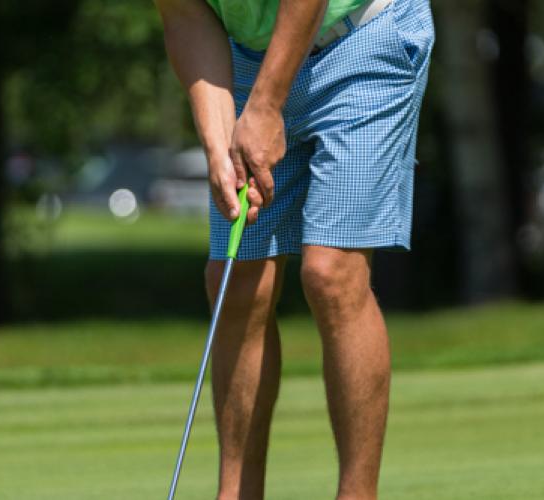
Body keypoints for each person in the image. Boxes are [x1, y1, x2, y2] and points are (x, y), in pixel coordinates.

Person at [154, 0, 434, 498]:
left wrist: (265, 109)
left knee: (330, 273)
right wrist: (217, 144)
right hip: (247, 60)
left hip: (361, 37)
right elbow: (186, 16)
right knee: (236, 281)